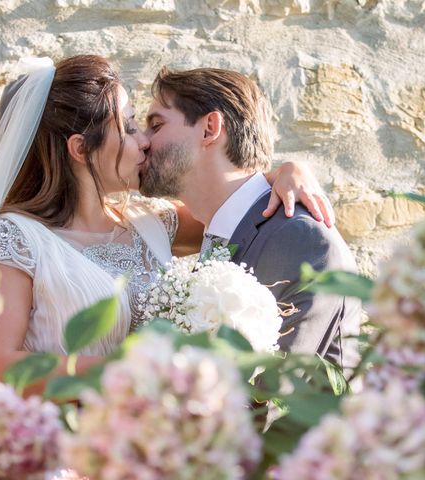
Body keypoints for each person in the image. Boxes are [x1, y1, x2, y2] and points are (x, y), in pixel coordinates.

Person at [0, 55, 333, 389]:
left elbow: (229, 200)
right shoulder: (15, 240)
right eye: (128, 128)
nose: (144, 141)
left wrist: (287, 171)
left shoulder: (151, 223)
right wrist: (133, 373)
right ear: (81, 149)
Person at [139, 67, 361, 374]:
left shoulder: (302, 240)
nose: (143, 141)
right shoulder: (220, 230)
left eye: (155, 125)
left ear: (209, 129)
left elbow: (276, 398)